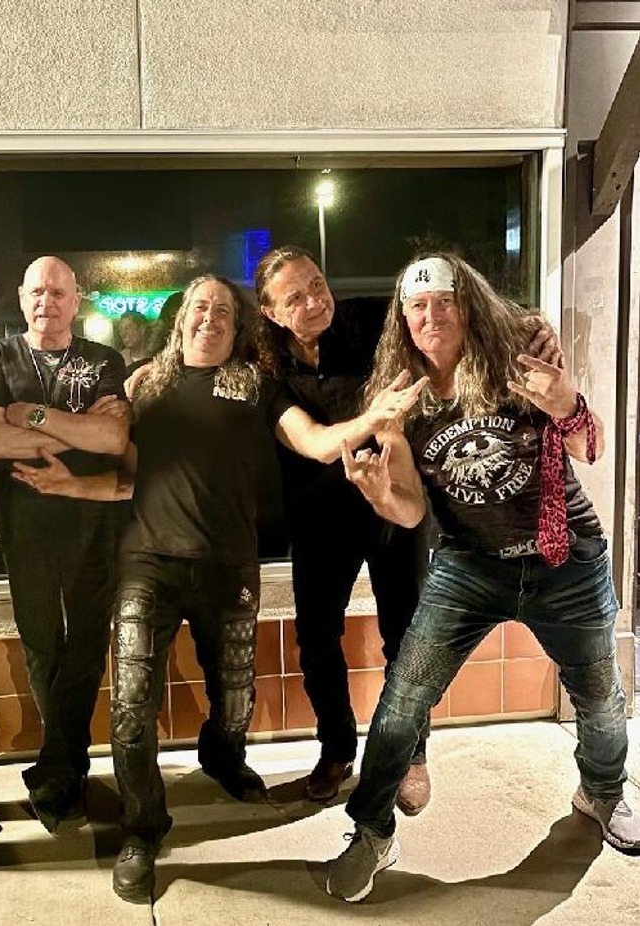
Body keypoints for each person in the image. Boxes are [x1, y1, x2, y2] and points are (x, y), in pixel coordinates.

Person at [325, 254, 640, 903]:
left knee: (601, 698)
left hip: (563, 555)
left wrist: (566, 402)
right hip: (469, 564)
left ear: (467, 305)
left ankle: (603, 793)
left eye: (444, 301)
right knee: (403, 696)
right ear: (403, 318)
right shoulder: (401, 398)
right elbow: (411, 509)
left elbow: (591, 447)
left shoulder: (515, 364)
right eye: (418, 306)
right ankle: (372, 830)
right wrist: (378, 492)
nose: (432, 316)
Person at [108, 274, 427, 904]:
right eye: (200, 307)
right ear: (180, 319)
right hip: (147, 562)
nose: (210, 318)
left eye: (223, 311)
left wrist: (373, 417)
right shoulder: (145, 385)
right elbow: (120, 470)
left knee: (235, 703)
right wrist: (60, 471)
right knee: (130, 701)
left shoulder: (255, 384)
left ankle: (222, 756)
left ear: (239, 326)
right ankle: (142, 830)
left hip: (229, 566)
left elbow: (315, 444)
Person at [254, 245, 432, 811]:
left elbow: (440, 315)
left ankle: (411, 753)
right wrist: (372, 418)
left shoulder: (372, 320)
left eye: (317, 284)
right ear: (270, 312)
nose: (315, 301)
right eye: (295, 297)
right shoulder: (268, 371)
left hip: (393, 504)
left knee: (406, 635)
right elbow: (313, 443)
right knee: (316, 640)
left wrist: (528, 327)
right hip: (319, 517)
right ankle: (336, 749)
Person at [0, 255, 130, 833]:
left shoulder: (103, 359)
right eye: (37, 292)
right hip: (25, 525)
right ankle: (68, 767)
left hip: (93, 520)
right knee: (42, 644)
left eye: (59, 292)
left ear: (76, 299)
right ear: (21, 298)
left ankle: (59, 770)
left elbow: (114, 439)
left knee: (86, 645)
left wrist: (30, 415)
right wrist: (77, 430)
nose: (47, 302)